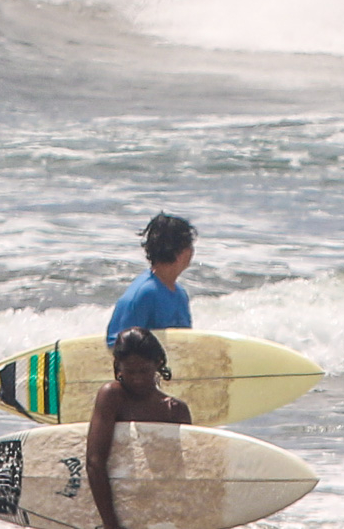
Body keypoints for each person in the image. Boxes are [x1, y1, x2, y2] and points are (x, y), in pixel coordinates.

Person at [86, 327, 192, 529]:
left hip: (157, 514)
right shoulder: (113, 396)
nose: (137, 378)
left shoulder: (175, 411)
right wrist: (112, 525)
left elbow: (181, 476)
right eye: (129, 371)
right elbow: (94, 462)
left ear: (158, 363)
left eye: (144, 370)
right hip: (112, 512)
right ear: (118, 367)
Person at [105, 212, 196, 346]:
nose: (192, 251)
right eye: (189, 245)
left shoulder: (180, 294)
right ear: (178, 251)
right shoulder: (144, 293)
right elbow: (115, 343)